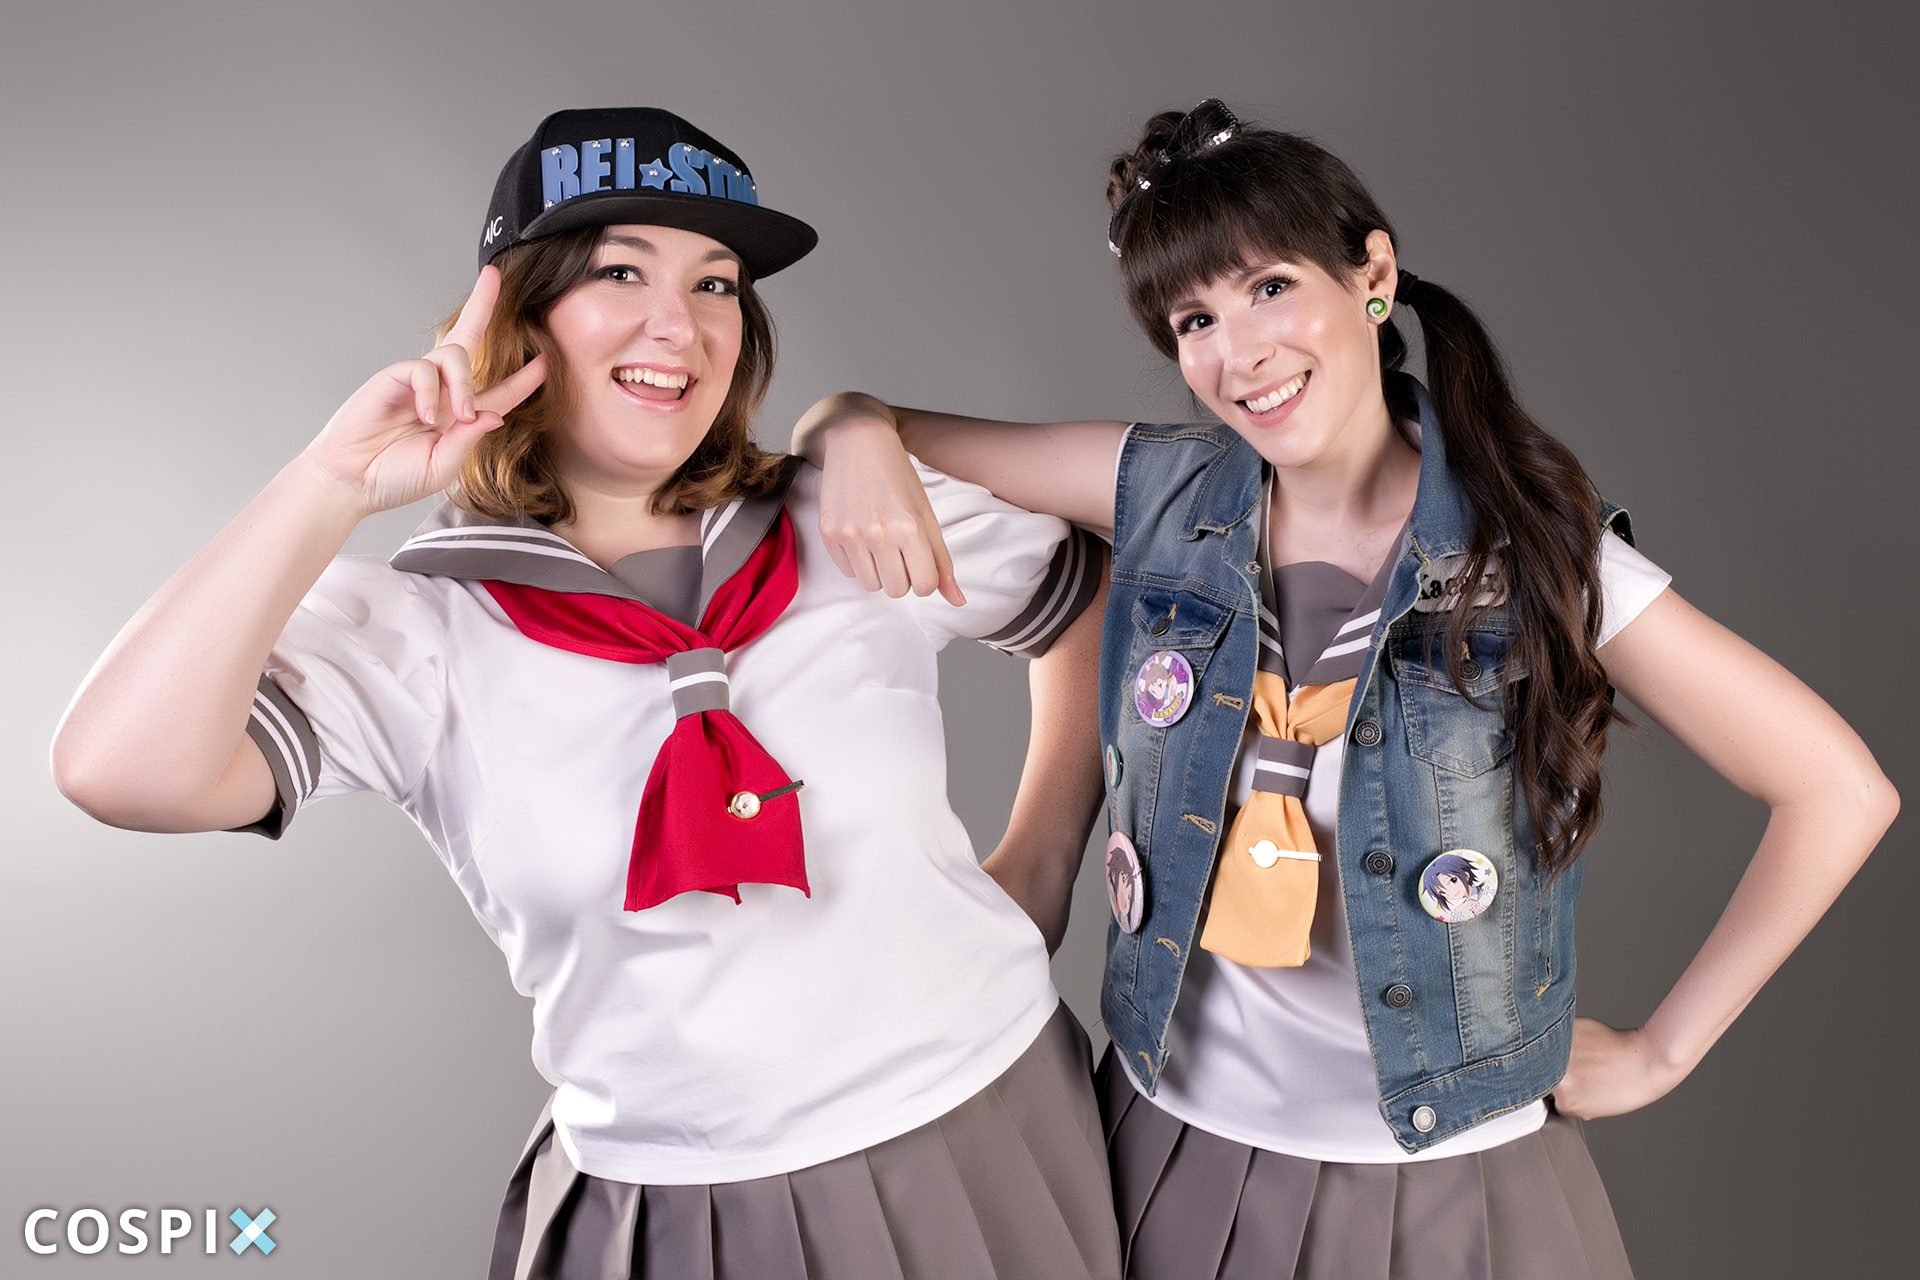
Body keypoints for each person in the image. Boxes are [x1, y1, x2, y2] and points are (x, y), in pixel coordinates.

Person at [791, 99, 1898, 1278]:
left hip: (1454, 1184)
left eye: (1269, 287)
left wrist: (1663, 1050)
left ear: (1373, 274)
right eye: (1195, 320)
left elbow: (1839, 790)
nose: (1240, 353)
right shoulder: (1157, 492)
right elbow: (864, 430)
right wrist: (847, 419)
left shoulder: (1531, 551)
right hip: (1171, 1149)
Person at [52, 107, 1124, 1280]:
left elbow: (1097, 596)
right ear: (519, 315)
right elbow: (119, 768)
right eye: (621, 270)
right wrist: (330, 481)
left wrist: (1044, 857)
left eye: (716, 283)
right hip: (676, 1201)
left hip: (989, 1123)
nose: (681, 323)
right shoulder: (423, 629)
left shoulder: (846, 514)